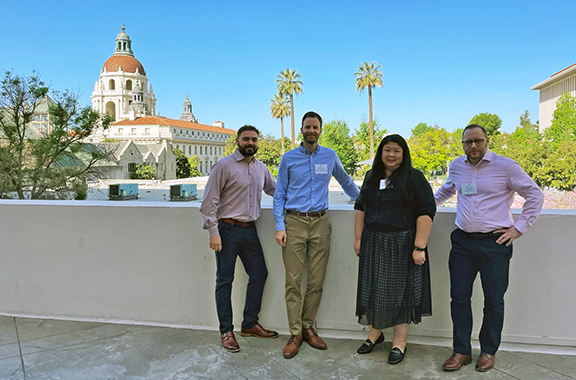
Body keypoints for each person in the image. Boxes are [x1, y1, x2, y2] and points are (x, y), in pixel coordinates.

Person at [435, 124, 544, 372]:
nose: (473, 146)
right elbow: (447, 190)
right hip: (462, 242)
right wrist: (423, 208)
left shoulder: (506, 166)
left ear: (487, 140)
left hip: (494, 244)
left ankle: (488, 351)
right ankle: (461, 351)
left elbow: (534, 195)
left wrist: (519, 228)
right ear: (462, 144)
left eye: (477, 141)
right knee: (459, 299)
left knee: (494, 301)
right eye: (467, 142)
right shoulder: (457, 166)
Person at [273, 111, 360, 359]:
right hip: (293, 223)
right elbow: (279, 195)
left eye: (315, 127)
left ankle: (308, 327)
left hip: (321, 223)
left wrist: (368, 201)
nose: (311, 130)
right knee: (293, 282)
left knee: (316, 281)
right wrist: (280, 225)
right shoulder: (288, 159)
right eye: (307, 127)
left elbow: (346, 182)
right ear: (301, 130)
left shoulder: (330, 155)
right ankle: (295, 333)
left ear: (321, 130)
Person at [353, 134, 436, 364]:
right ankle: (374, 334)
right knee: (372, 289)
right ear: (381, 153)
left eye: (397, 151)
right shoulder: (372, 176)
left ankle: (399, 342)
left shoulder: (414, 178)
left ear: (404, 154)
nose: (391, 155)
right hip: (372, 243)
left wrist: (420, 246)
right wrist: (358, 239)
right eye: (387, 150)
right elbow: (360, 208)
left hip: (403, 244)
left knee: (402, 294)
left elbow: (426, 212)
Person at [200, 125, 278, 353]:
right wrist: (212, 232)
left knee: (260, 274)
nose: (250, 143)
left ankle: (250, 324)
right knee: (225, 280)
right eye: (246, 139)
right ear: (237, 141)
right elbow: (208, 203)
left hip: (249, 229)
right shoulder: (224, 166)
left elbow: (275, 190)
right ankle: (226, 331)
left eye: (254, 139)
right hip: (226, 230)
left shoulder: (261, 168)